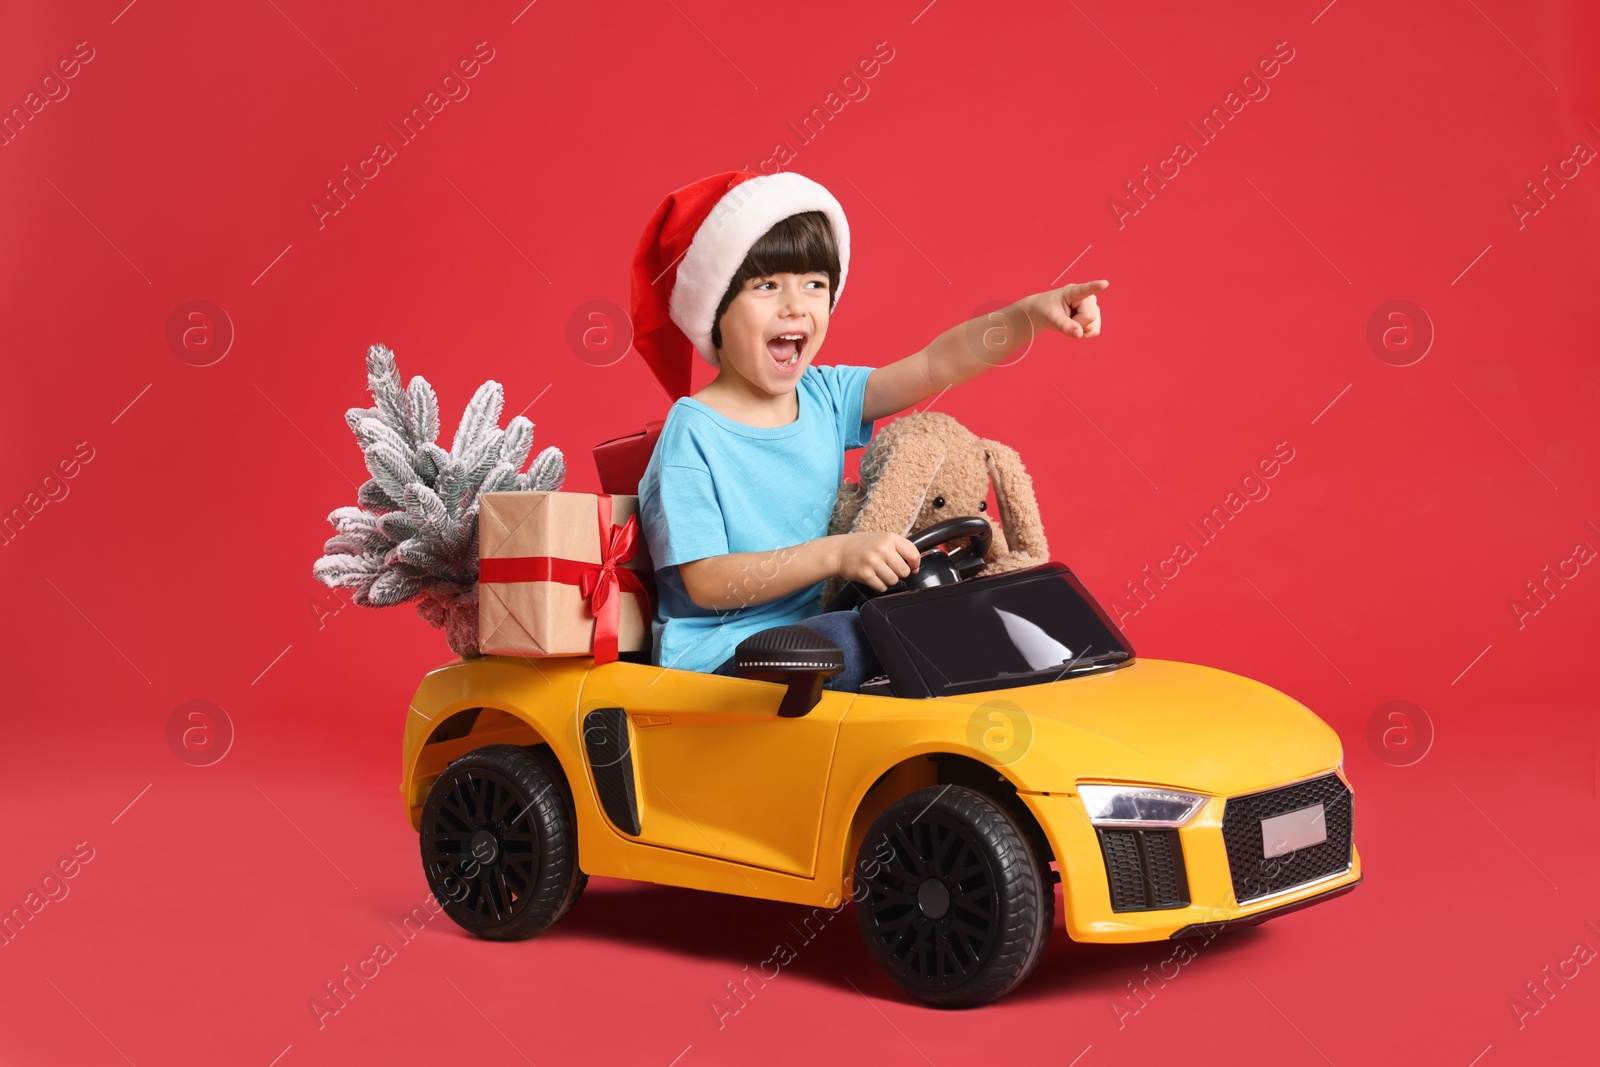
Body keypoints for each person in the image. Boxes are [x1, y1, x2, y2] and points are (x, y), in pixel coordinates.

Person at [631, 170, 1105, 691]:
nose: (796, 305)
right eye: (766, 286)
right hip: (723, 661)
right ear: (716, 312)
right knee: (863, 639)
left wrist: (1026, 317)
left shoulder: (824, 396)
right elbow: (705, 581)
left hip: (820, 629)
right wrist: (838, 553)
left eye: (814, 284)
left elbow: (934, 364)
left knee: (932, 614)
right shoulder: (694, 433)